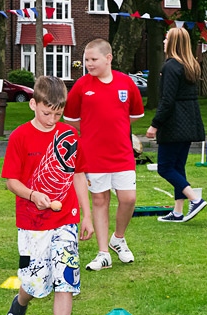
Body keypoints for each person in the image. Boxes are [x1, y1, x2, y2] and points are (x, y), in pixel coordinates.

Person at [1, 76, 94, 315]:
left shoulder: (69, 136)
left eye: (58, 113)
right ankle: (20, 304)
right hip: (32, 222)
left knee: (66, 278)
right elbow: (11, 181)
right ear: (33, 104)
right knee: (36, 282)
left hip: (66, 219)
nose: (52, 118)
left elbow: (78, 174)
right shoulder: (19, 137)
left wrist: (87, 215)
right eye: (46, 112)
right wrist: (32, 195)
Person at [64, 38, 144, 271]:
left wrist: (116, 126)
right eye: (86, 60)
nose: (88, 64)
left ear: (108, 59)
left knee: (128, 199)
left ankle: (118, 238)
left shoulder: (126, 83)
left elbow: (136, 114)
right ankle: (102, 253)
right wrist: (92, 130)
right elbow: (71, 119)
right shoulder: (81, 86)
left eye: (93, 60)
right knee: (100, 200)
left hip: (122, 154)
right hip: (93, 155)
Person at [146, 27, 207, 222]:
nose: (164, 42)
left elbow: (167, 100)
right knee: (178, 167)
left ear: (173, 43)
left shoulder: (170, 67)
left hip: (175, 125)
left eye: (166, 39)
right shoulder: (190, 66)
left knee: (165, 167)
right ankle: (178, 212)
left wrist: (155, 124)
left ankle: (195, 200)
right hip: (189, 122)